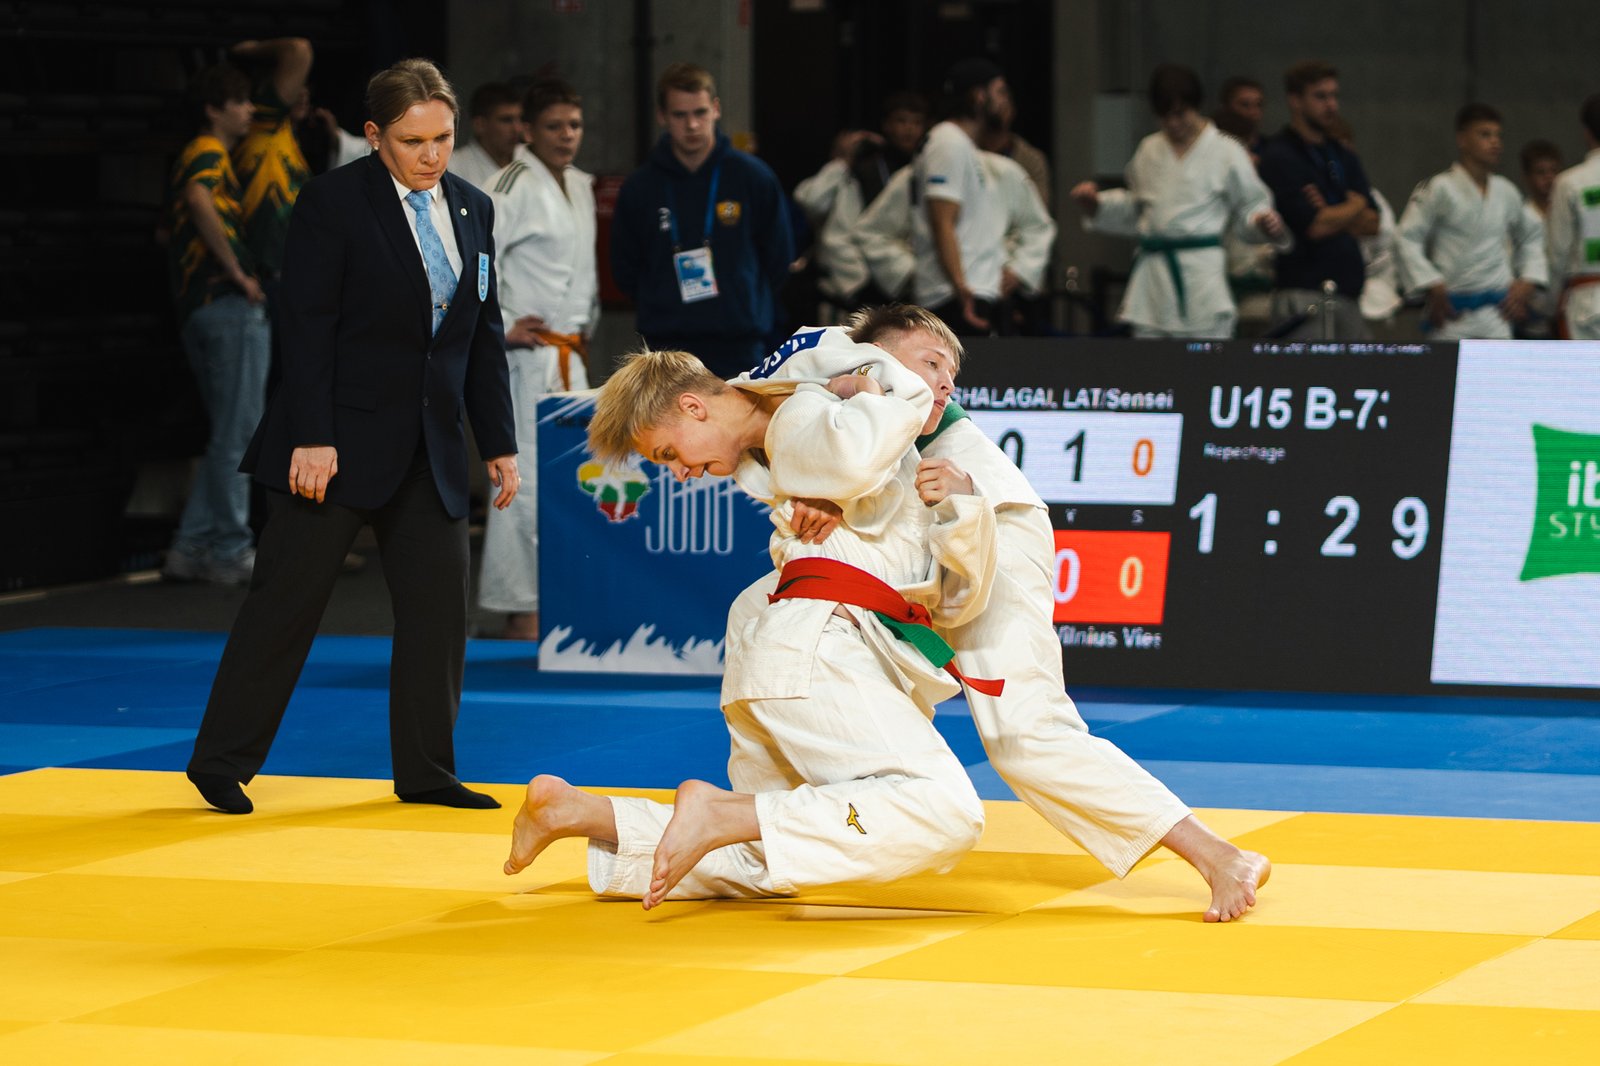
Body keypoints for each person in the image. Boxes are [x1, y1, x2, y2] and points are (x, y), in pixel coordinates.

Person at [777, 305, 1271, 922]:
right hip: (923, 547)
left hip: (997, 532)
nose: (945, 383)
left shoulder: (912, 415)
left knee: (1026, 734)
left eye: (952, 374)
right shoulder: (831, 373)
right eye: (931, 363)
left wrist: (827, 473)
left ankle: (1221, 856)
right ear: (872, 354)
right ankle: (757, 838)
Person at [507, 333, 1000, 908]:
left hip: (780, 652)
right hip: (813, 649)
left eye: (668, 454)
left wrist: (950, 496)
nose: (681, 473)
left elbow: (860, 404)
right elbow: (870, 436)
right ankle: (720, 813)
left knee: (766, 848)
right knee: (944, 813)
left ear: (694, 407)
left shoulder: (797, 420)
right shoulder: (800, 430)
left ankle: (587, 813)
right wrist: (863, 396)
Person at [185, 58, 519, 816]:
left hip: (430, 446)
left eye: (442, 138)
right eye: (412, 141)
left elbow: (481, 336)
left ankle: (427, 772)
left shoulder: (474, 208)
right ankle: (221, 761)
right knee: (284, 607)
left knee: (438, 615)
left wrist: (498, 442)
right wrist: (312, 435)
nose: (431, 155)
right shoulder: (332, 202)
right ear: (374, 135)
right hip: (331, 445)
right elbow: (307, 325)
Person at [478, 78, 598, 642]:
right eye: (553, 126)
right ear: (527, 129)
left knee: (568, 477)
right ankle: (519, 608)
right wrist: (501, 325)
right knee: (519, 478)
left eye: (574, 125)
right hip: (524, 358)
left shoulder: (580, 185)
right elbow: (471, 260)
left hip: (569, 354)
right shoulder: (507, 185)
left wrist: (583, 326)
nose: (566, 136)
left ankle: (558, 600)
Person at [1070, 64, 1288, 339]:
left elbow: (1251, 204)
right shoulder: (1149, 150)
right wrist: (1098, 206)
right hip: (1153, 281)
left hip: (1201, 277)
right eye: (1164, 116)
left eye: (1180, 114)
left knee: (1204, 359)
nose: (1173, 124)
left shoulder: (1226, 151)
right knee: (1151, 363)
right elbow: (1139, 209)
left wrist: (1261, 221)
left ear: (1195, 106)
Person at [159, 64, 271, 586]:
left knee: (229, 430)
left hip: (200, 307)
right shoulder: (207, 150)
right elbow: (198, 200)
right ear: (213, 109)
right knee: (239, 432)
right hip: (225, 304)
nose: (249, 110)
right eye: (239, 101)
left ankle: (189, 548)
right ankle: (230, 548)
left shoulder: (198, 155)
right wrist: (238, 273)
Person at [609, 62, 793, 377]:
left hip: (738, 342)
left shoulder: (752, 177)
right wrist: (661, 298)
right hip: (665, 345)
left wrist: (742, 296)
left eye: (700, 112)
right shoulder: (641, 187)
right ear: (662, 116)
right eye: (680, 115)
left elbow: (779, 257)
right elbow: (625, 268)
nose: (692, 125)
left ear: (716, 109)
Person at [1395, 103, 1548, 341]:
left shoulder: (1506, 191)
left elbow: (1532, 235)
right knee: (1447, 366)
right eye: (1485, 134)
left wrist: (1528, 280)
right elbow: (1407, 236)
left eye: (1498, 135)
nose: (1495, 142)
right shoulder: (1439, 188)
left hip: (1497, 314)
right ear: (1462, 139)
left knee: (1497, 366)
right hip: (1451, 313)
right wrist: (1431, 282)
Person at [1257, 60, 1379, 340]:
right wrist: (1354, 205)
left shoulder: (1342, 155)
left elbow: (1373, 223)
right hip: (1302, 294)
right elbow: (1315, 226)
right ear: (1295, 100)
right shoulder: (1280, 156)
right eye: (1320, 96)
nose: (1331, 105)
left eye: (1334, 96)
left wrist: (1331, 212)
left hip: (1348, 294)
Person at [792, 91, 927, 314]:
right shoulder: (863, 169)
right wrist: (842, 159)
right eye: (901, 121)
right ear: (886, 125)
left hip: (901, 284)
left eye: (916, 122)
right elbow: (815, 205)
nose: (909, 129)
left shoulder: (922, 169)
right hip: (855, 287)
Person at [912, 57, 1012, 336]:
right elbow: (942, 221)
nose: (1005, 100)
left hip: (967, 292)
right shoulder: (948, 142)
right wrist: (960, 287)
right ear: (979, 96)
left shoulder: (961, 144)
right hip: (953, 296)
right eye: (999, 91)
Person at [1547, 94, 1600, 339]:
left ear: (1586, 133)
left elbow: (1558, 253)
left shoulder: (1569, 182)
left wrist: (1550, 304)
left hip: (1586, 303)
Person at [448, 81, 521, 190]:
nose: (517, 129)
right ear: (480, 125)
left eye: (520, 119)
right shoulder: (453, 167)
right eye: (506, 120)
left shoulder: (527, 161)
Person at [1214, 75, 1266, 160]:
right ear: (1226, 107)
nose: (1253, 112)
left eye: (1258, 104)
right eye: (1245, 105)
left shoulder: (1270, 149)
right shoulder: (1214, 147)